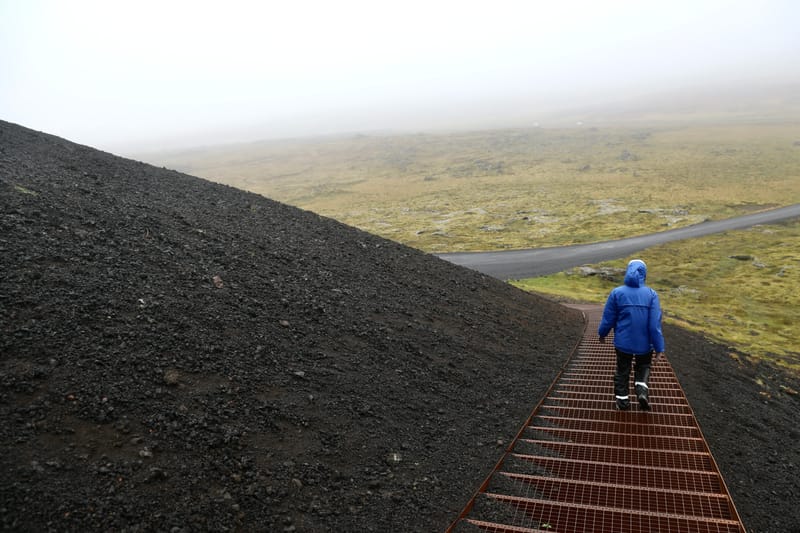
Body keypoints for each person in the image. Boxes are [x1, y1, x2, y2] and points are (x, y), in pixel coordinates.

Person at [598, 259, 665, 411]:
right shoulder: (651, 294)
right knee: (643, 366)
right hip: (645, 345)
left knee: (622, 370)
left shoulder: (617, 293)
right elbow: (654, 324)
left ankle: (622, 402)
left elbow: (608, 318)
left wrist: (602, 334)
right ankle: (641, 390)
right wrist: (659, 347)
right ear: (644, 274)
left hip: (623, 343)